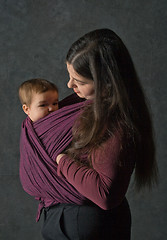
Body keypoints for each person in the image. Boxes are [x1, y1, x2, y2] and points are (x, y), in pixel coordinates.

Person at [41, 29, 158, 240]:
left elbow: (105, 195)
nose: (69, 85)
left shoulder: (116, 123)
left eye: (80, 81)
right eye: (70, 76)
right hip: (70, 219)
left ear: (107, 83)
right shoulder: (89, 107)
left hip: (84, 225)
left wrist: (61, 159)